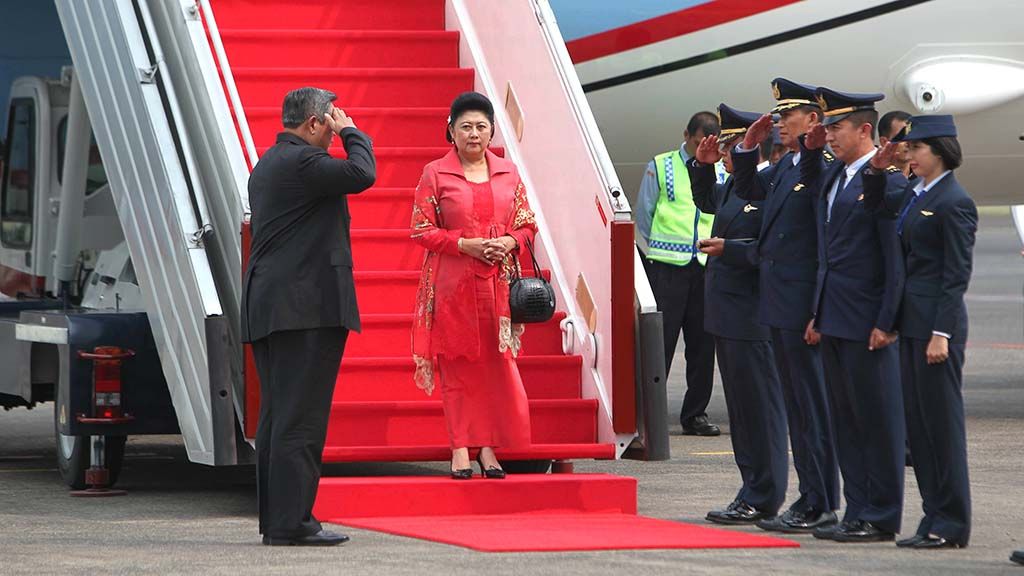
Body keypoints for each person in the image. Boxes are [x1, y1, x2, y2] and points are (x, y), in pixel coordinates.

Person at [241, 87, 376, 546]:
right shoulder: (303, 161)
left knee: (279, 418)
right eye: (331, 121)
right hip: (303, 308)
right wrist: (353, 131)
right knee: (301, 420)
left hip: (274, 305)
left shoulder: (268, 163)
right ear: (316, 123)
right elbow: (362, 173)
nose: (335, 129)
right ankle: (294, 522)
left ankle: (278, 520)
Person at [730, 78, 840, 534]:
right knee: (797, 406)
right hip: (779, 304)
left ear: (812, 120)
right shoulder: (788, 164)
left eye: (786, 117)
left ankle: (821, 501)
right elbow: (752, 192)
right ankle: (810, 496)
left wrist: (817, 308)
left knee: (812, 407)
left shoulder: (819, 165)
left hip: (802, 307)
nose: (778, 124)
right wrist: (746, 151)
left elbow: (821, 241)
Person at [863, 114, 976, 549]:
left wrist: (941, 333)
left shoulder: (954, 201)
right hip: (911, 325)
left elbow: (955, 275)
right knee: (921, 429)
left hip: (934, 330)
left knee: (941, 429)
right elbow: (881, 213)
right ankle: (932, 518)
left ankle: (951, 522)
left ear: (940, 152)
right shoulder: (916, 192)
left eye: (918, 149)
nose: (911, 155)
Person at [799, 88, 906, 543]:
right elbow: (827, 254)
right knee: (845, 419)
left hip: (867, 322)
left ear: (865, 130)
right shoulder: (834, 178)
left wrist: (888, 320)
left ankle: (881, 515)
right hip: (834, 317)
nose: (828, 138)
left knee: (876, 421)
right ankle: (857, 510)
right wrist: (816, 312)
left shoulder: (888, 183)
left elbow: (893, 260)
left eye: (836, 128)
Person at [410, 92, 535, 480]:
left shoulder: (509, 172)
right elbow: (420, 229)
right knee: (458, 369)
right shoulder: (435, 172)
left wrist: (510, 241)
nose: (474, 133)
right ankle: (460, 446)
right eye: (465, 126)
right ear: (451, 130)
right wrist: (463, 244)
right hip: (452, 285)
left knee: (495, 367)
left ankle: (488, 447)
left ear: (493, 131)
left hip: (498, 284)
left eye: (481, 126)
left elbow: (526, 221)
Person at [688, 104, 788, 525]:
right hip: (727, 315)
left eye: (730, 145)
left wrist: (733, 250)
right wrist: (702, 166)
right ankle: (751, 489)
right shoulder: (735, 184)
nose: (725, 152)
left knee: (760, 411)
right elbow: (709, 200)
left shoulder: (770, 184)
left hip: (752, 316)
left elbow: (775, 249)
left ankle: (765, 493)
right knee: (743, 413)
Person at [635, 112, 721, 436]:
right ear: (687, 134)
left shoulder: (722, 167)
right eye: (698, 142)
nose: (703, 148)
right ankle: (649, 413)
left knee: (702, 344)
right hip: (668, 267)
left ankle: (695, 414)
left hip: (705, 265)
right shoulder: (662, 164)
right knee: (662, 342)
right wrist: (661, 248)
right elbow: (645, 213)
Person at [879, 110, 913, 178]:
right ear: (884, 142)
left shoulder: (925, 177)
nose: (908, 142)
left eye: (912, 136)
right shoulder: (872, 175)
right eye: (901, 137)